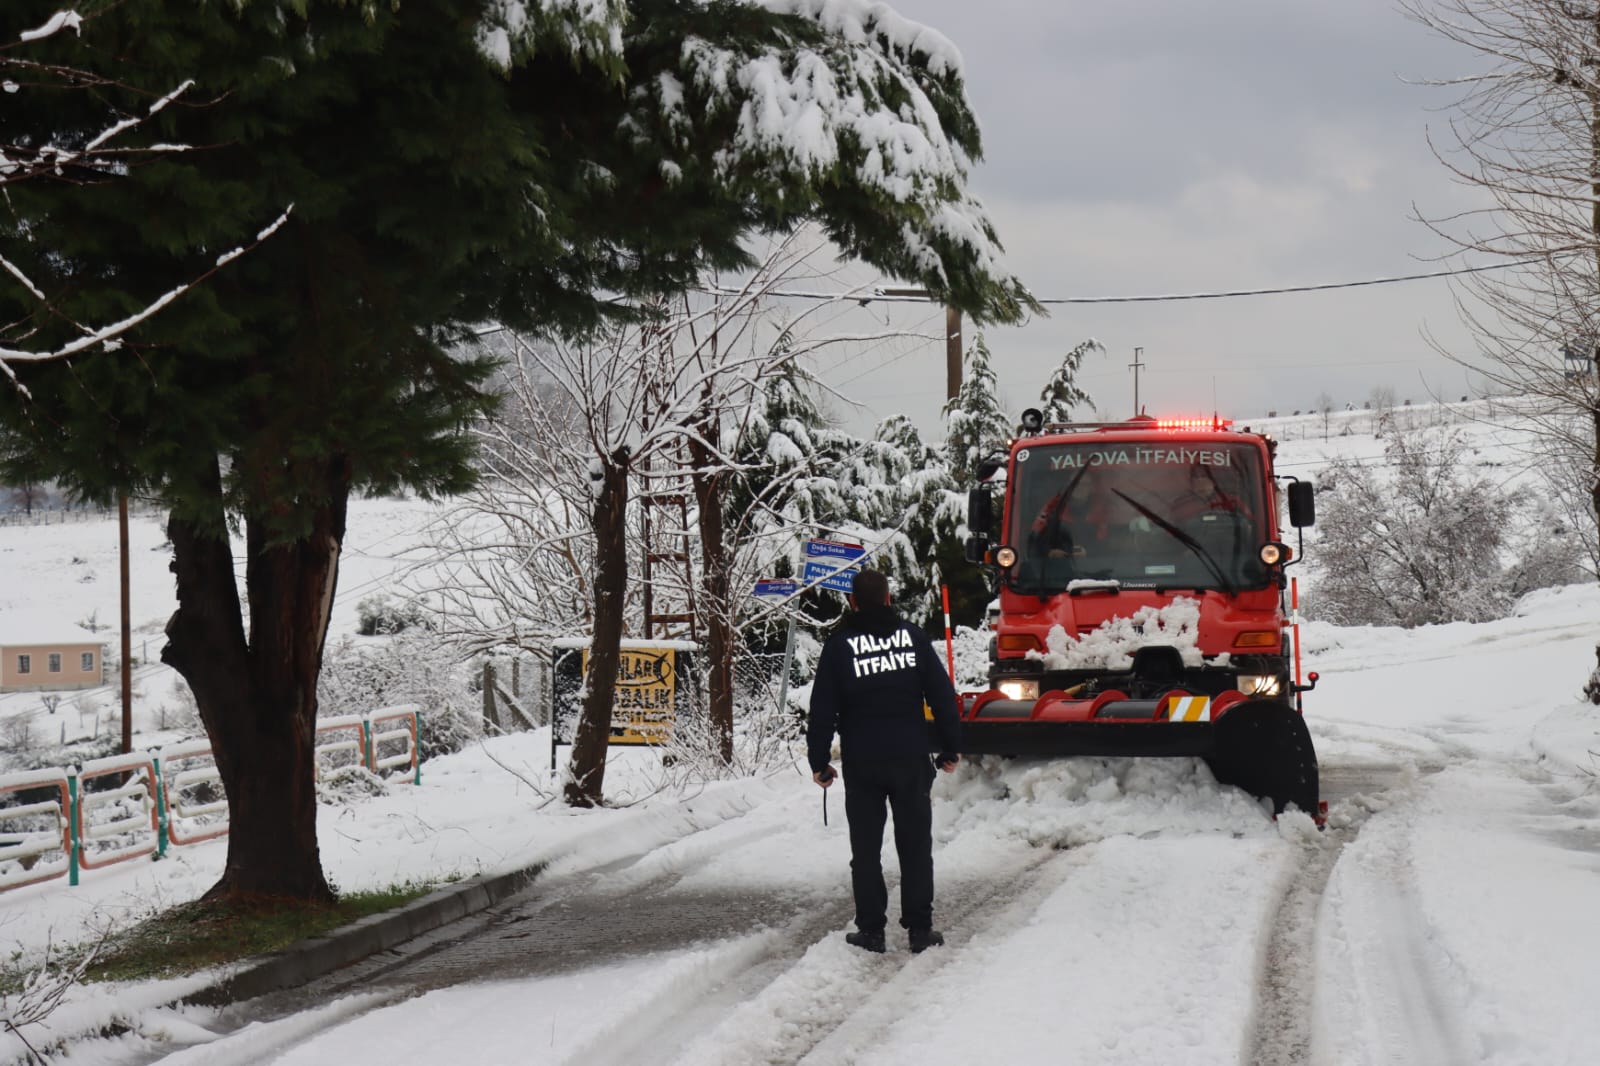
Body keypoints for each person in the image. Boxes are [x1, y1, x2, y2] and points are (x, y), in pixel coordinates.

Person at [808, 569, 962, 954]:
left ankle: (872, 931)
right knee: (914, 846)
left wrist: (819, 761)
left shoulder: (840, 645)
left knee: (865, 849)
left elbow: (823, 707)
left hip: (863, 763)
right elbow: (943, 695)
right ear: (889, 599)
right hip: (910, 759)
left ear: (853, 602)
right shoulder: (912, 638)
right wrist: (950, 746)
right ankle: (920, 930)